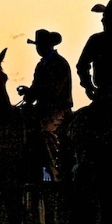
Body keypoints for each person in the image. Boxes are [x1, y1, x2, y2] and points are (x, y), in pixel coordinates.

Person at [17, 29, 73, 179]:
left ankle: (55, 170)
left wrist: (32, 93)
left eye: (40, 45)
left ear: (49, 45)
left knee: (45, 131)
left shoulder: (60, 64)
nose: (38, 49)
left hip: (59, 108)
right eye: (38, 46)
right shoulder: (41, 65)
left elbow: (53, 91)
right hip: (43, 107)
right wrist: (28, 93)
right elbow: (36, 88)